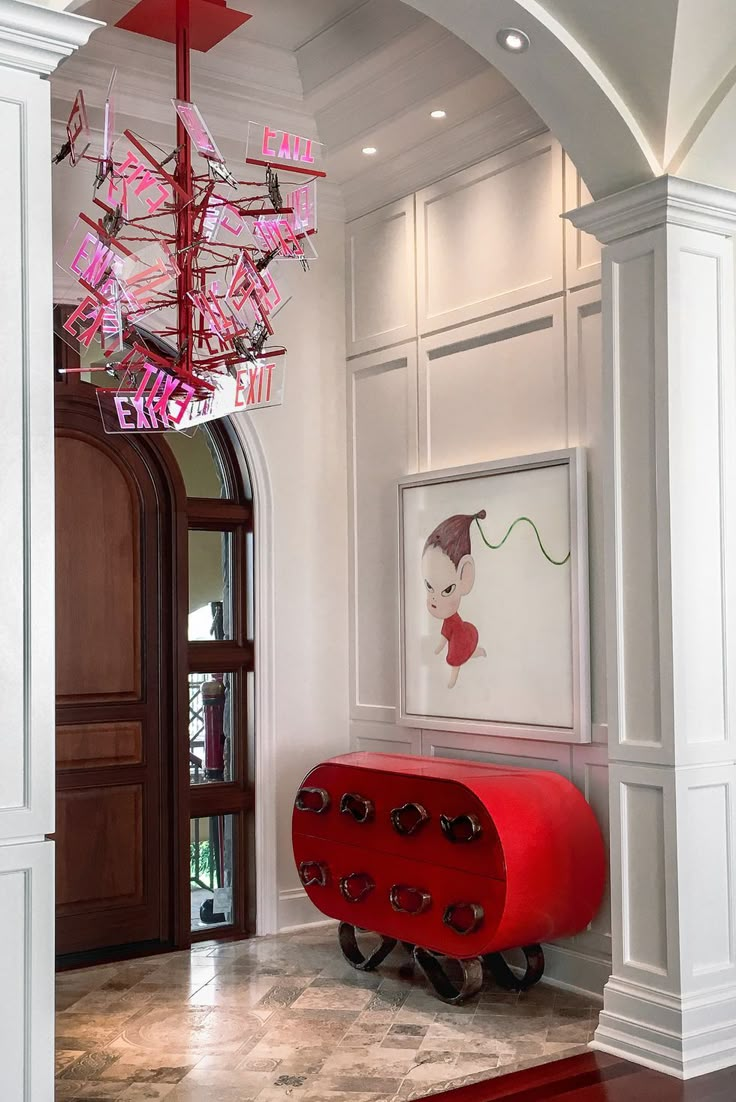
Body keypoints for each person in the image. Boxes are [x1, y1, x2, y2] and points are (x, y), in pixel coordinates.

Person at [422, 511, 487, 688]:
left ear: (465, 577)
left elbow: (447, 633)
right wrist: (438, 647)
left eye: (447, 590)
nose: (434, 599)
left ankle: (453, 679)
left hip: (460, 637)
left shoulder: (452, 620)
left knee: (457, 658)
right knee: (469, 652)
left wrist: (440, 647)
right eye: (429, 587)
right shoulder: (448, 618)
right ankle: (478, 652)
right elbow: (445, 633)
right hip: (458, 635)